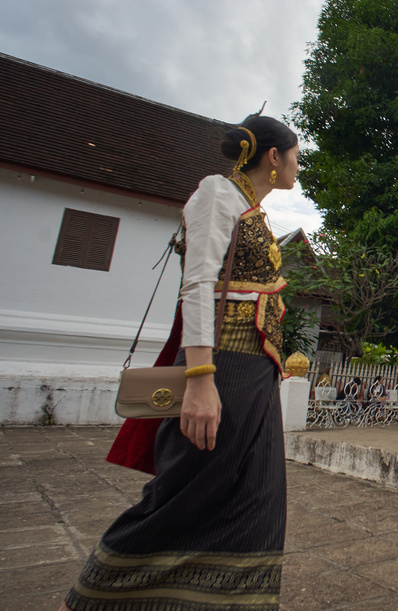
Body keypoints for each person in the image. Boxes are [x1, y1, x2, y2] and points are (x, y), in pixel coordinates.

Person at [62, 114, 300, 611]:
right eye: (296, 155)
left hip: (256, 371)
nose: (298, 165)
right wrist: (199, 379)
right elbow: (196, 286)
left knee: (255, 499)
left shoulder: (253, 211)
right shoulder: (218, 193)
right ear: (273, 157)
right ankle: (92, 597)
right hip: (223, 367)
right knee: (187, 491)